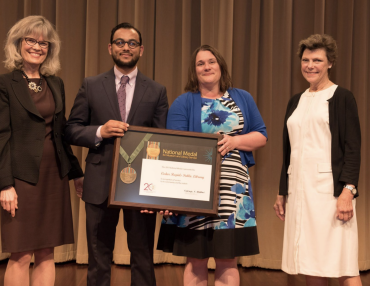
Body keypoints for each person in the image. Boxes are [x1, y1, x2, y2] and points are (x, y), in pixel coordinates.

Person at [64, 22, 168, 286]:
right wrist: (99, 131)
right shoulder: (91, 85)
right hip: (99, 183)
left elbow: (161, 140)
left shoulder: (156, 91)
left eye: (132, 43)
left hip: (142, 186)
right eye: (119, 42)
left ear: (141, 50)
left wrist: (158, 189)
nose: (125, 47)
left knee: (143, 255)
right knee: (99, 256)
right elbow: (71, 130)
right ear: (110, 47)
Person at [157, 45, 267, 286]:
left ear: (220, 66)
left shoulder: (242, 97)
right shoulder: (184, 102)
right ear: (194, 71)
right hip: (194, 191)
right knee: (196, 259)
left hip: (234, 191)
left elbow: (261, 136)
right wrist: (169, 197)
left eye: (211, 61)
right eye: (200, 63)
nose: (206, 67)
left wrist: (236, 140)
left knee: (228, 260)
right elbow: (172, 150)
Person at [0, 15, 84, 286]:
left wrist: (76, 173)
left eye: (44, 43)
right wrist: (5, 185)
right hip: (21, 178)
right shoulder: (2, 83)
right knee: (20, 253)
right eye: (31, 40)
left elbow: (61, 134)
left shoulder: (55, 83)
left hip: (54, 176)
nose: (37, 47)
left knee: (46, 251)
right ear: (18, 43)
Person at [273, 34, 362, 285]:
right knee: (309, 262)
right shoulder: (296, 100)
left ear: (330, 63)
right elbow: (288, 151)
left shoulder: (342, 97)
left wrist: (348, 190)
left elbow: (353, 148)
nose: (310, 65)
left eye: (317, 60)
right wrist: (282, 191)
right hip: (299, 192)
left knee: (343, 263)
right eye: (305, 59)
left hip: (330, 194)